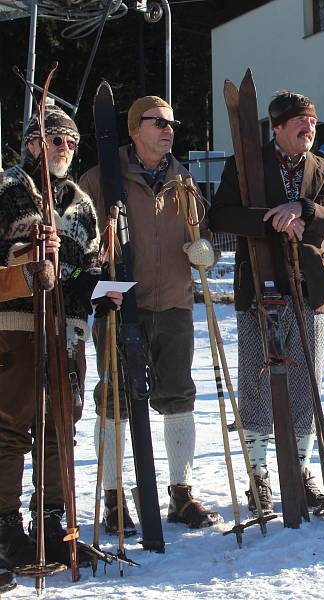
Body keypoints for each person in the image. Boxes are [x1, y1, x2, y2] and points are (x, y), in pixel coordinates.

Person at [80, 96, 222, 533]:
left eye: (172, 123)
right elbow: (79, 237)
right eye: (158, 122)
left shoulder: (183, 181)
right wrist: (94, 280)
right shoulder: (103, 176)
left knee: (179, 394)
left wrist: (205, 255)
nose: (168, 129)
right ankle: (114, 498)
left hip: (175, 302)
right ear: (133, 129)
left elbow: (202, 236)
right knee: (116, 399)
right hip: (123, 304)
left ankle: (181, 494)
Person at [209, 90, 324, 515]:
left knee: (306, 384)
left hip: (311, 291)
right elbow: (221, 216)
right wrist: (274, 218)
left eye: (313, 123)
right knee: (256, 382)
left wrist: (304, 209)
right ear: (277, 128)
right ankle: (259, 477)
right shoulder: (247, 166)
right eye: (300, 123)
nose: (309, 129)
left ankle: (303, 473)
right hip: (258, 286)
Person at [0, 106, 120, 570]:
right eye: (55, 140)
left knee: (58, 431)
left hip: (66, 331)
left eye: (71, 142)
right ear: (33, 143)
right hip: (15, 325)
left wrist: (104, 292)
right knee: (9, 429)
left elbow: (85, 267)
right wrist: (28, 256)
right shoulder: (10, 188)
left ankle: (53, 523)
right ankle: (6, 529)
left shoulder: (81, 202)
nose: (65, 149)